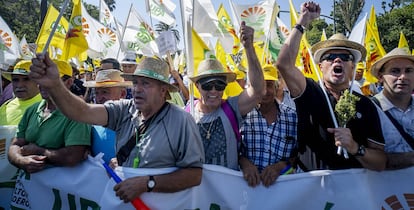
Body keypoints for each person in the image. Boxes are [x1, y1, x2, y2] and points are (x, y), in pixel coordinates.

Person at [29, 54, 204, 203]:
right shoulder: (124, 109)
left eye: (146, 84)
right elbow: (82, 112)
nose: (137, 89)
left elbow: (194, 174)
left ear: (163, 90)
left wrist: (147, 183)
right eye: (135, 83)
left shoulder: (182, 121)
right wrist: (54, 85)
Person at [275, 2, 386, 171]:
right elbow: (283, 63)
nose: (337, 59)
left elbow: (380, 162)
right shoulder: (310, 92)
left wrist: (355, 148)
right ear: (320, 66)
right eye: (330, 56)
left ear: (352, 67)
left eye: (344, 56)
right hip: (313, 191)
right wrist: (303, 21)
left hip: (354, 191)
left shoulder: (366, 105)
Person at [188, 21, 265, 170]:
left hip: (227, 191)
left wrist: (249, 48)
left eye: (219, 85)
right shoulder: (186, 115)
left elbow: (258, 91)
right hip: (196, 191)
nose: (214, 91)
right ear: (197, 86)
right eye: (207, 85)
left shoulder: (231, 108)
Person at [8, 59, 91, 173]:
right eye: (40, 79)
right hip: (27, 186)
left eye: (52, 79)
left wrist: (39, 152)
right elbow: (15, 145)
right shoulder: (31, 110)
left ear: (69, 82)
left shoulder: (77, 113)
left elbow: (73, 156)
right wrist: (20, 160)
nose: (43, 83)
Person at [239, 64, 298, 187]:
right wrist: (244, 163)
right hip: (247, 190)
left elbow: (299, 156)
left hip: (284, 193)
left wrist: (281, 166)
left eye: (269, 85)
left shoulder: (293, 118)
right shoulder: (241, 116)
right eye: (259, 85)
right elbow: (232, 152)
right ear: (250, 88)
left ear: (277, 89)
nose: (264, 91)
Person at [370, 48, 414, 169]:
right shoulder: (369, 110)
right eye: (395, 71)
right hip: (383, 186)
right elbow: (367, 157)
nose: (403, 76)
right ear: (380, 77)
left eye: (409, 70)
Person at [83, 69, 132, 163]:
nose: (99, 98)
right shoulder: (92, 120)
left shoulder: (132, 120)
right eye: (97, 93)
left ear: (122, 94)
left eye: (105, 92)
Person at [0, 60, 42, 126]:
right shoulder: (5, 106)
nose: (19, 85)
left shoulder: (46, 106)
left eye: (26, 79)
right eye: (15, 80)